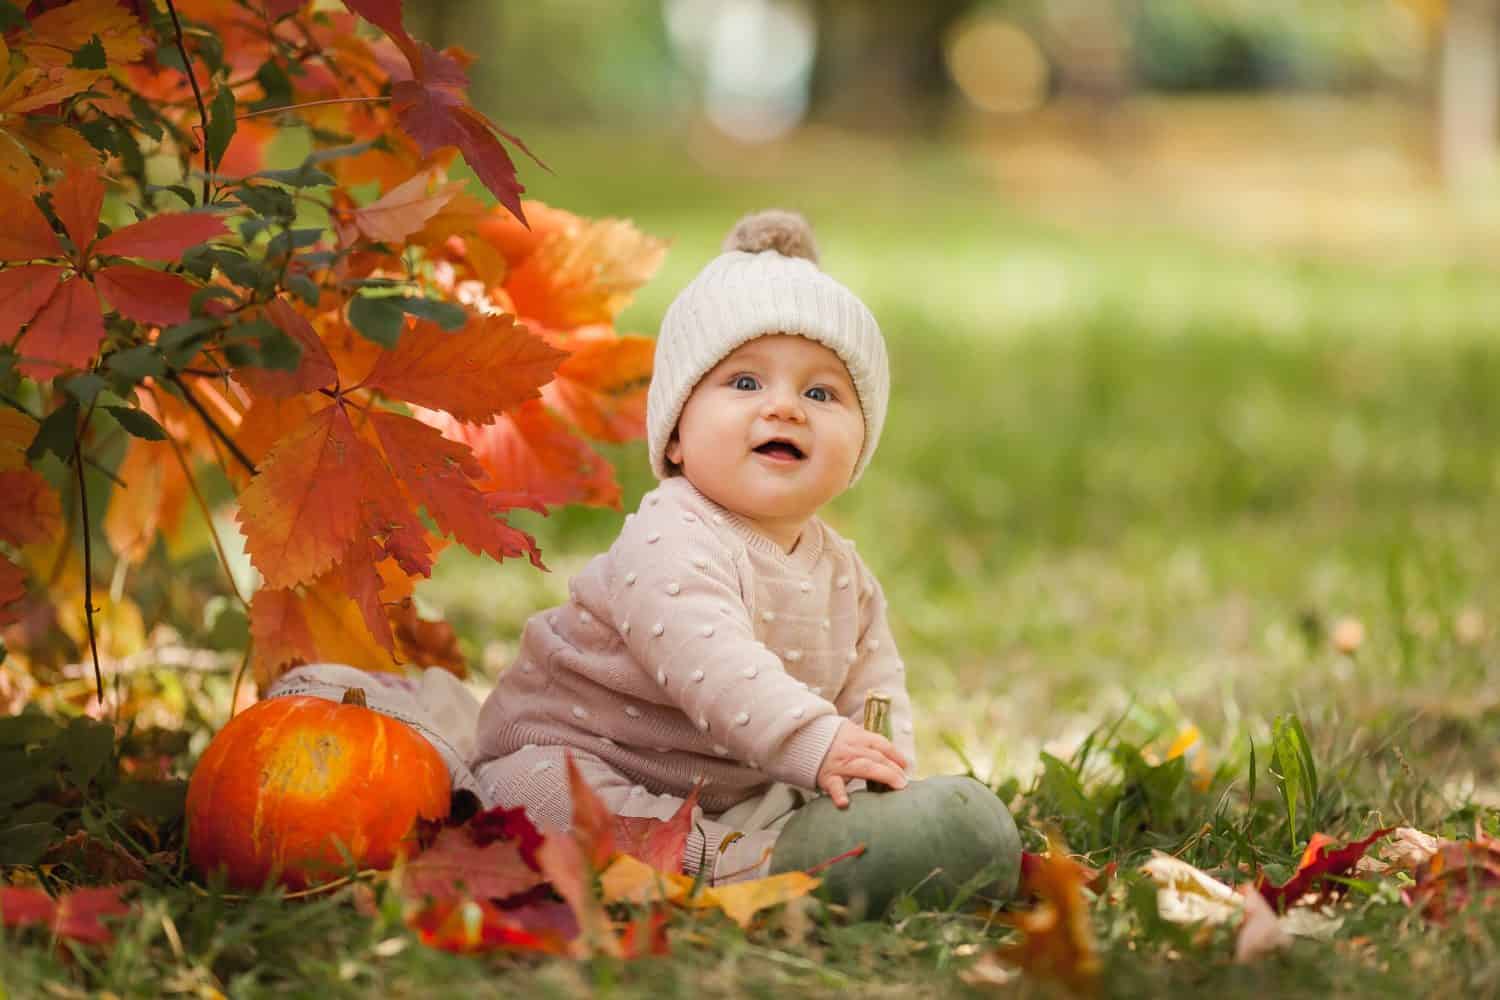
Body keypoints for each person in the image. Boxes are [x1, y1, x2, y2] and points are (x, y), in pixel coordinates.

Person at [470, 209, 917, 884]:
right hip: (583, 753)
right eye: (745, 383)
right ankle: (717, 860)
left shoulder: (845, 576)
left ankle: (756, 846)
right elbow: (710, 658)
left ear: (858, 449)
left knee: (795, 797)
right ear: (675, 434)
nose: (785, 408)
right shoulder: (669, 535)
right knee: (546, 798)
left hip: (730, 781)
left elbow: (874, 687)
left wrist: (880, 770)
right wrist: (813, 742)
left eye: (821, 392)